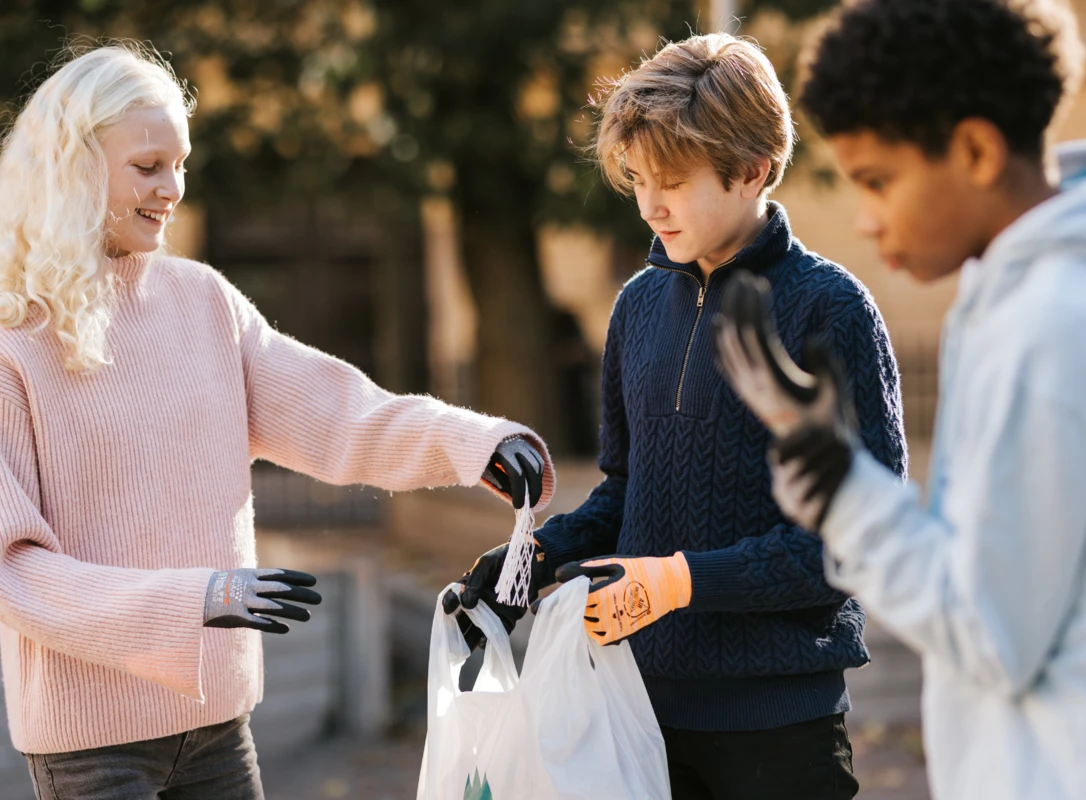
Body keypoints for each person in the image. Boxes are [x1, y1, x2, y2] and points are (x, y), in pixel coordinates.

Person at [0, 44, 553, 799]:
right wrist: (199, 599)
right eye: (147, 166)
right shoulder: (13, 344)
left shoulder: (204, 303)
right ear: (72, 166)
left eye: (180, 164)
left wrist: (474, 443)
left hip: (219, 727)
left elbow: (341, 413)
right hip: (91, 747)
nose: (173, 189)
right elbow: (15, 573)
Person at [715, 1, 1086, 798]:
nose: (866, 221)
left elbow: (990, 632)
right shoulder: (1057, 301)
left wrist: (843, 490)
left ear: (975, 150)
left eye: (879, 181)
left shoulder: (1054, 332)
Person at [447, 33, 906, 799]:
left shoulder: (832, 308)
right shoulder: (636, 307)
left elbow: (858, 543)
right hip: (636, 718)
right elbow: (628, 492)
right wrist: (533, 560)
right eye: (636, 179)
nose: (649, 205)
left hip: (780, 726)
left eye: (672, 181)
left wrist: (681, 581)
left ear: (752, 169)